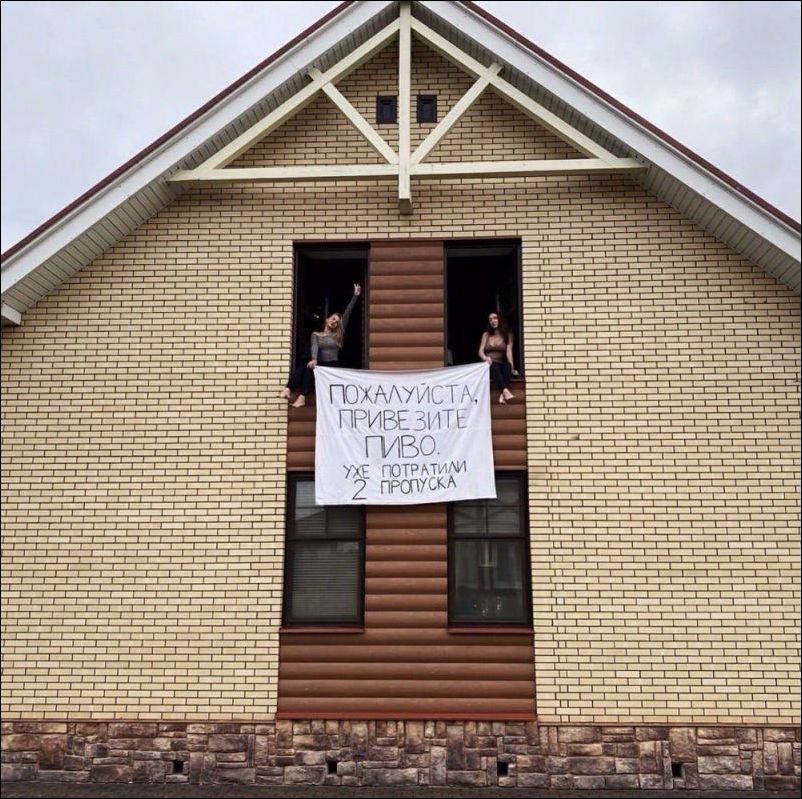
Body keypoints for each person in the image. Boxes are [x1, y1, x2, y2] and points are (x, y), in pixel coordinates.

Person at [281, 284, 362, 408]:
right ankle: (292, 391)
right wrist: (314, 359)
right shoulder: (316, 335)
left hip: (332, 365)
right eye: (333, 319)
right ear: (327, 319)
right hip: (320, 364)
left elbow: (347, 313)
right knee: (307, 365)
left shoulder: (337, 335)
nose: (335, 322)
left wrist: (355, 296)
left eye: (337, 322)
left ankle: (294, 392)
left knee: (308, 366)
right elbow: (314, 347)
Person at [478, 311, 519, 403]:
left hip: (500, 364)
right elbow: (480, 351)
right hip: (488, 364)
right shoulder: (486, 335)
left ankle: (503, 394)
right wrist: (485, 358)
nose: (493, 321)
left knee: (507, 366)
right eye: (490, 320)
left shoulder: (508, 334)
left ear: (500, 319)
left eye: (495, 318)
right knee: (493, 366)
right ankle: (505, 392)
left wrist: (512, 368)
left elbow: (509, 351)